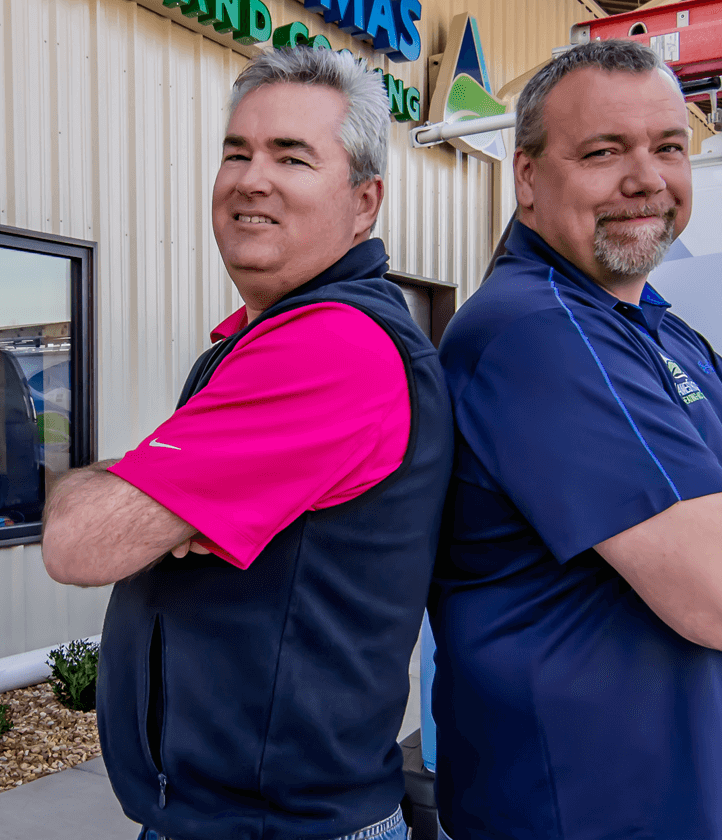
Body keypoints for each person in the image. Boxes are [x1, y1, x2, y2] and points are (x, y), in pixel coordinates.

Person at [429, 40, 722, 840]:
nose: (646, 178)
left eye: (668, 147)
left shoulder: (661, 332)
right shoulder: (536, 334)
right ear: (526, 178)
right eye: (604, 152)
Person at [42, 47, 453, 840]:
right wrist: (153, 498)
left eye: (292, 156)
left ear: (364, 202)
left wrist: (126, 492)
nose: (250, 178)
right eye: (238, 151)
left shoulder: (334, 348)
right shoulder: (266, 338)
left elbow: (80, 541)